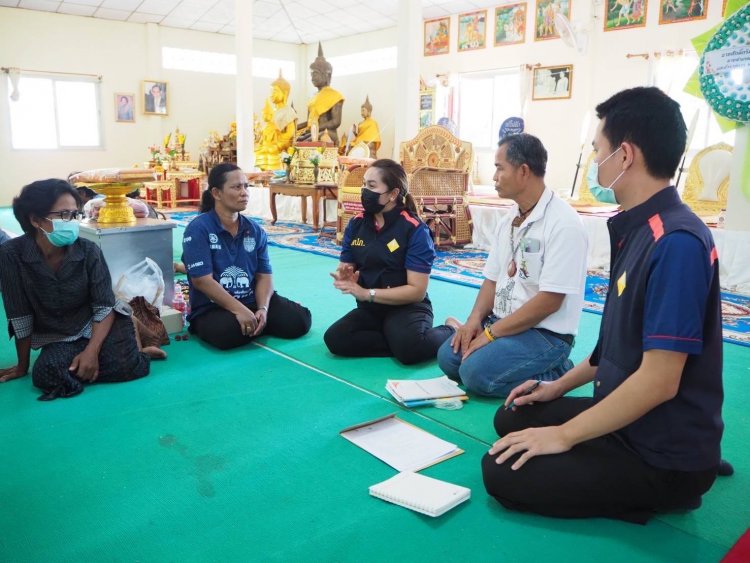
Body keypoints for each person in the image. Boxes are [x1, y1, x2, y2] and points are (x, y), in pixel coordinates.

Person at [482, 87, 726, 523]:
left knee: (500, 472)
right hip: (625, 410)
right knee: (514, 416)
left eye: (599, 151)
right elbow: (613, 347)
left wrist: (563, 436)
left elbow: (659, 382)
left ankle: (673, 486)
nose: (596, 163)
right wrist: (555, 388)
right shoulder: (638, 229)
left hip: (659, 445)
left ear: (625, 156)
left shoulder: (676, 243)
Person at [437, 133, 588, 397]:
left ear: (524, 171)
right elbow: (492, 279)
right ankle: (505, 360)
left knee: (474, 373)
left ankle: (558, 371)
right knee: (449, 357)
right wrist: (474, 322)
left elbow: (550, 302)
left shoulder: (564, 224)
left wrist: (491, 335)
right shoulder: (510, 217)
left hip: (545, 335)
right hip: (504, 323)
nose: (494, 177)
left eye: (499, 168)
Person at [0, 179, 161, 401]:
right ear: (36, 220)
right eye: (64, 215)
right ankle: (126, 349)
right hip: (58, 335)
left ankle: (136, 351)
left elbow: (104, 305)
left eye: (75, 215)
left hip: (97, 323)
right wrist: (22, 365)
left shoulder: (88, 250)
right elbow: (19, 314)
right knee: (46, 374)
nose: (72, 222)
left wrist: (92, 352)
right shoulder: (11, 254)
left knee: (127, 367)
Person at [324, 159, 453, 365]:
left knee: (410, 351)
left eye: (372, 186)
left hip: (406, 307)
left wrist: (367, 293)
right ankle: (398, 339)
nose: (365, 191)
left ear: (393, 194)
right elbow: (346, 266)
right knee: (335, 339)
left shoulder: (414, 230)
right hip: (371, 308)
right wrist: (344, 276)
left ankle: (451, 329)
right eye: (364, 185)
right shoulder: (356, 223)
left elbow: (417, 290)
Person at [182, 163, 311, 350]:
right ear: (217, 193)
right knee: (228, 334)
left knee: (300, 321)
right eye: (236, 187)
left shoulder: (255, 230)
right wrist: (238, 309)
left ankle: (256, 321)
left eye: (246, 186)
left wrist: (263, 309)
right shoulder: (198, 229)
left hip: (251, 300)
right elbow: (202, 281)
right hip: (214, 307)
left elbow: (264, 276)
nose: (244, 192)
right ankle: (251, 323)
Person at [296, 43, 344, 145]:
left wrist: (314, 128)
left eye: (315, 74)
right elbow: (310, 122)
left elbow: (336, 122)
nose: (312, 78)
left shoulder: (335, 95)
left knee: (308, 140)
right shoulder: (312, 98)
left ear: (327, 75)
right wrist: (296, 127)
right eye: (311, 75)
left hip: (327, 132)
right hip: (314, 130)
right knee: (297, 138)